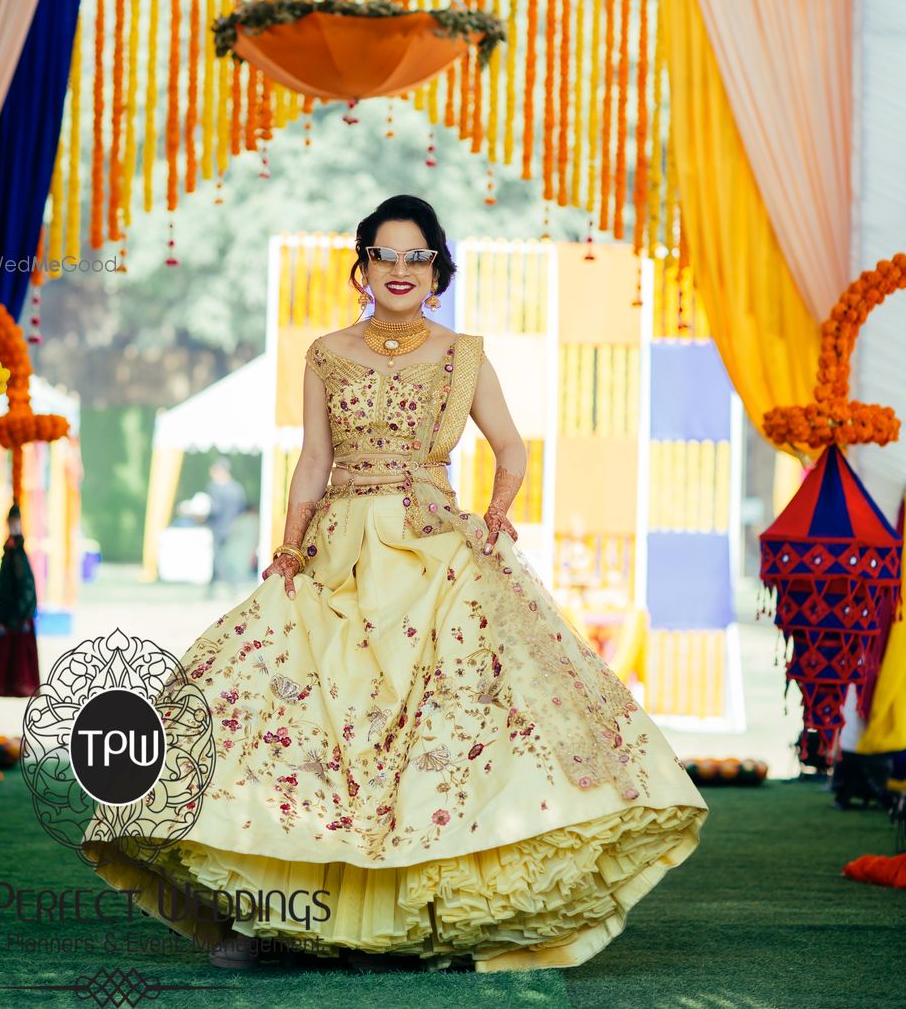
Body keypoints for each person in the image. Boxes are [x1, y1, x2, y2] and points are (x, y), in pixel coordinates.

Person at [86, 195, 707, 971]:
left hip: (434, 549)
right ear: (363, 266)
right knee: (298, 717)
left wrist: (495, 517)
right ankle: (276, 915)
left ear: (438, 272)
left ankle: (429, 918)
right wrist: (287, 547)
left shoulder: (463, 355)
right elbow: (312, 460)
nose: (401, 270)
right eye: (386, 255)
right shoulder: (325, 352)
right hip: (337, 548)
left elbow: (511, 448)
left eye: (418, 258)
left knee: (442, 737)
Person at [0, 504, 40, 699]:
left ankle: (20, 685)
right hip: (9, 612)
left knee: (19, 658)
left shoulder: (18, 555)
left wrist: (18, 613)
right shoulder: (8, 554)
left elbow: (26, 587)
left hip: (17, 615)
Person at [205, 459, 249, 587]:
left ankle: (229, 585)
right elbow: (242, 508)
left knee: (219, 558)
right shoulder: (237, 488)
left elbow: (214, 509)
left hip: (219, 527)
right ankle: (216, 587)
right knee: (226, 557)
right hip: (233, 527)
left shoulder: (214, 487)